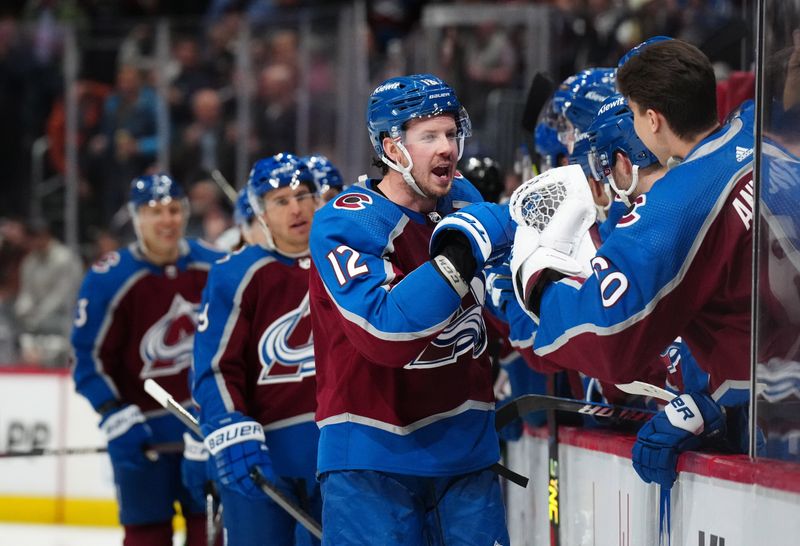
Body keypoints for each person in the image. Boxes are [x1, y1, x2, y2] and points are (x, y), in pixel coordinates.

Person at [509, 39, 755, 489]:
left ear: (652, 120)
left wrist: (539, 280)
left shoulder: (678, 202)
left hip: (769, 418)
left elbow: (607, 335)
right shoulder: (758, 124)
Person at [307, 74, 513, 545]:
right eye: (429, 137)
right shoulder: (346, 219)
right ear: (392, 148)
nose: (447, 149)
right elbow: (384, 332)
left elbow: (503, 302)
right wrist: (462, 254)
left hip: (468, 456)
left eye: (450, 133)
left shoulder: (465, 202)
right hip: (373, 460)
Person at [71, 173, 225, 546]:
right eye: (154, 211)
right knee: (146, 535)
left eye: (174, 209)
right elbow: (87, 359)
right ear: (136, 218)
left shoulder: (216, 265)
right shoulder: (109, 279)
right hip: (140, 439)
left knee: (209, 535)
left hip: (206, 433)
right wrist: (112, 411)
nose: (166, 220)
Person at [192, 153, 322, 546]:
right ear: (260, 213)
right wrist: (229, 425)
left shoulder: (348, 262)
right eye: (280, 201)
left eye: (303, 195)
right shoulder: (237, 273)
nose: (296, 208)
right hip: (262, 456)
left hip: (342, 451)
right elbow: (214, 367)